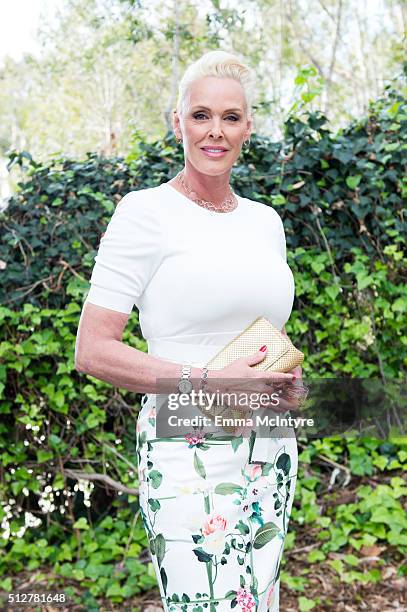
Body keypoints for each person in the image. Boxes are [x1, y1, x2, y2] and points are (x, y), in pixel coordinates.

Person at [75, 49, 302, 612]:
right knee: (203, 601)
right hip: (185, 437)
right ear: (177, 122)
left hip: (270, 441)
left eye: (230, 117)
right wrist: (206, 380)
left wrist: (286, 380)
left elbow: (262, 334)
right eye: (200, 115)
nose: (215, 131)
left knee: (258, 601)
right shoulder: (143, 212)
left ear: (248, 127)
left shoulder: (265, 222)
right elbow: (93, 350)